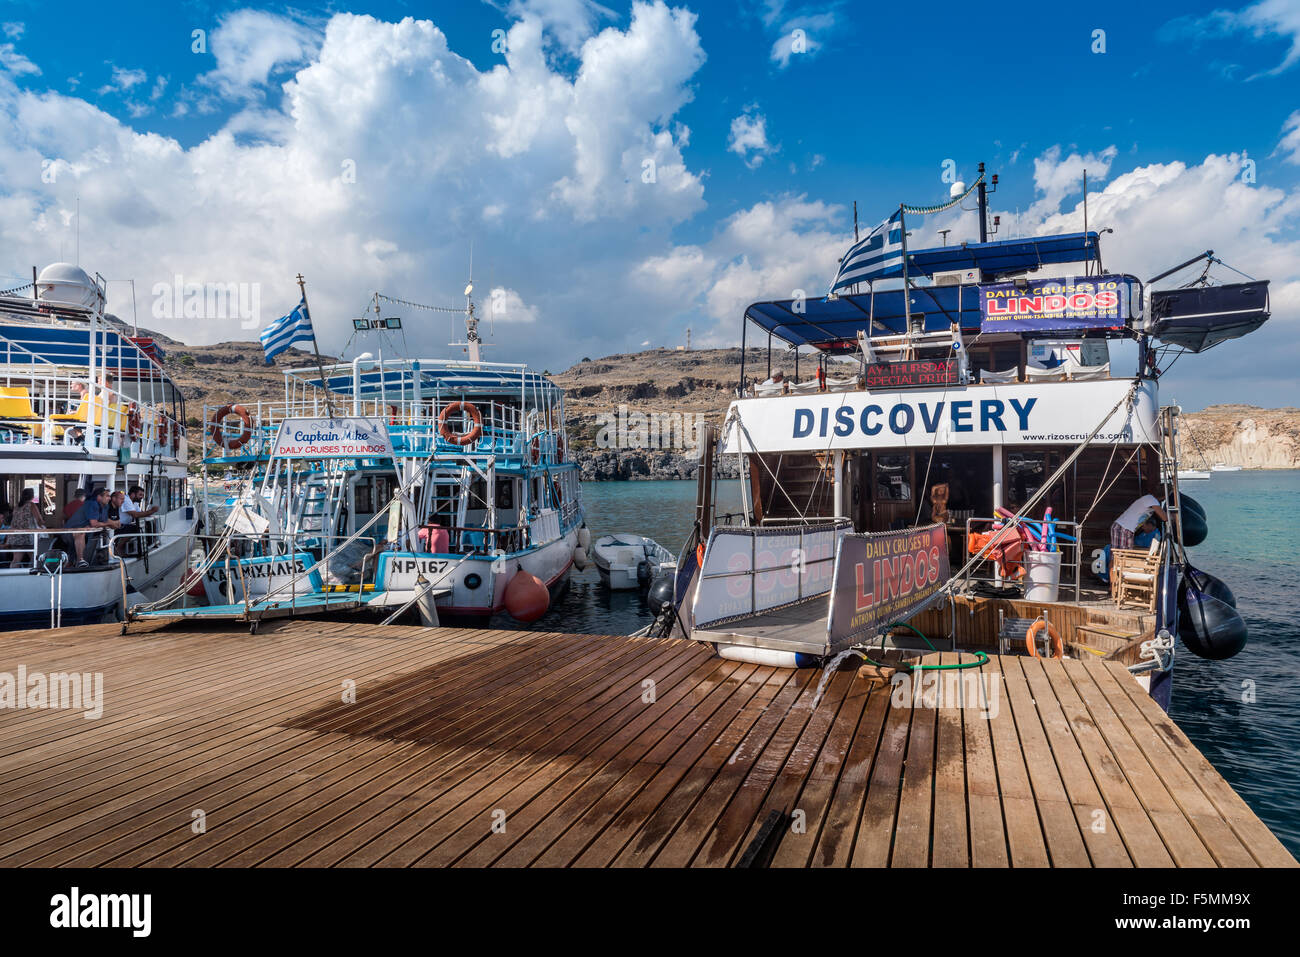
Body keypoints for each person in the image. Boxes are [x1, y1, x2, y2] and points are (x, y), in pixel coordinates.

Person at [65, 487, 119, 567]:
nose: (109, 498)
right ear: (99, 497)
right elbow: (94, 523)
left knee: (84, 533)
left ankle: (75, 562)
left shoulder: (105, 506)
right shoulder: (92, 503)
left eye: (109, 496)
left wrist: (114, 523)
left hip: (86, 532)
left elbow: (104, 520)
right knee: (80, 533)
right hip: (69, 532)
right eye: (107, 496)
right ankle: (80, 561)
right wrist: (110, 524)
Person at [6, 487, 45, 567]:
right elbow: (39, 520)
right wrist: (43, 526)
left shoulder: (17, 506)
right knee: (34, 557)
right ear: (32, 496)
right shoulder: (31, 505)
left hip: (16, 536)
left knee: (16, 559)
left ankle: (12, 576)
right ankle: (34, 574)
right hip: (27, 536)